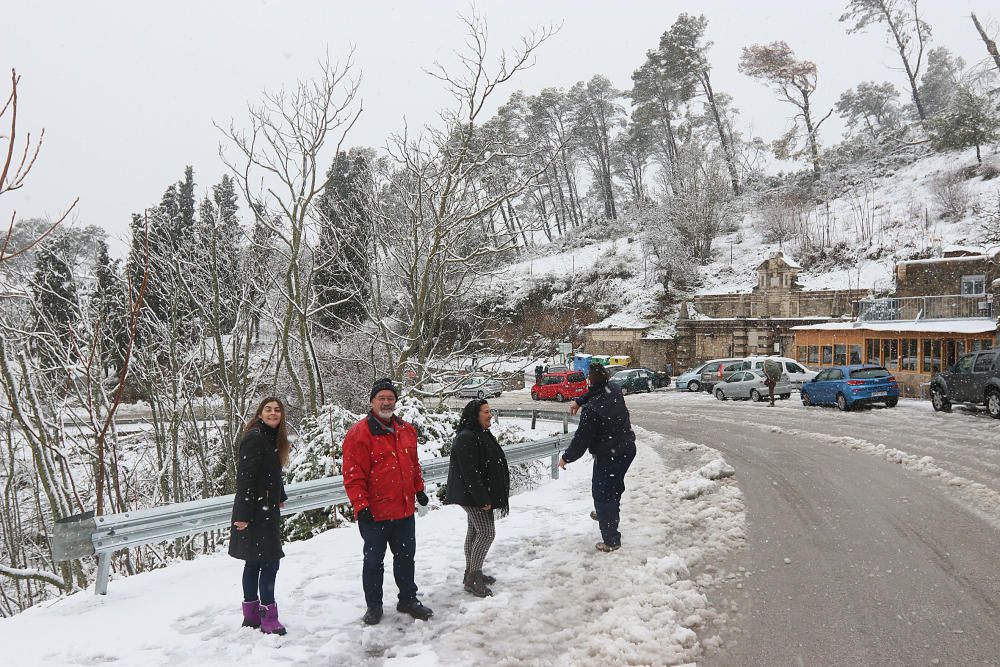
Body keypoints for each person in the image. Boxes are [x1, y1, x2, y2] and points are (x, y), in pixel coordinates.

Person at [342, 378, 433, 626]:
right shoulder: (359, 434)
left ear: (395, 401)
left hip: (403, 511)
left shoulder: (406, 430)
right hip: (375, 514)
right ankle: (374, 606)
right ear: (372, 401)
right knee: (373, 563)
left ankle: (408, 599)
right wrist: (361, 506)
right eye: (381, 398)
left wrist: (419, 489)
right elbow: (353, 475)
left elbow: (412, 465)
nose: (386, 402)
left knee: (406, 558)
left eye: (390, 398)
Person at [558, 364, 637, 552]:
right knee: (613, 486)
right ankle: (606, 514)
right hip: (627, 449)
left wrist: (566, 457)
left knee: (602, 494)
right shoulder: (614, 390)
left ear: (589, 380)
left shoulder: (592, 411)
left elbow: (581, 440)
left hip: (611, 454)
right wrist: (579, 401)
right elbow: (595, 392)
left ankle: (611, 540)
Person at [230, 397, 290, 635]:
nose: (273, 413)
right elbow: (245, 478)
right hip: (255, 511)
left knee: (254, 561)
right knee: (269, 562)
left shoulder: (270, 437)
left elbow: (271, 473)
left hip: (264, 507)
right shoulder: (255, 437)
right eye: (268, 409)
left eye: (277, 410)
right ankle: (268, 617)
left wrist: (280, 494)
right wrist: (243, 516)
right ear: (260, 413)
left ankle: (252, 615)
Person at [445, 399, 510, 598]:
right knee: (487, 532)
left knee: (475, 532)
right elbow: (469, 473)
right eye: (486, 412)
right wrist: (482, 498)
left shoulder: (480, 433)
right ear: (475, 415)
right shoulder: (467, 437)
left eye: (490, 411)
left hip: (477, 494)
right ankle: (473, 577)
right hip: (472, 496)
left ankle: (471, 572)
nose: (490, 415)